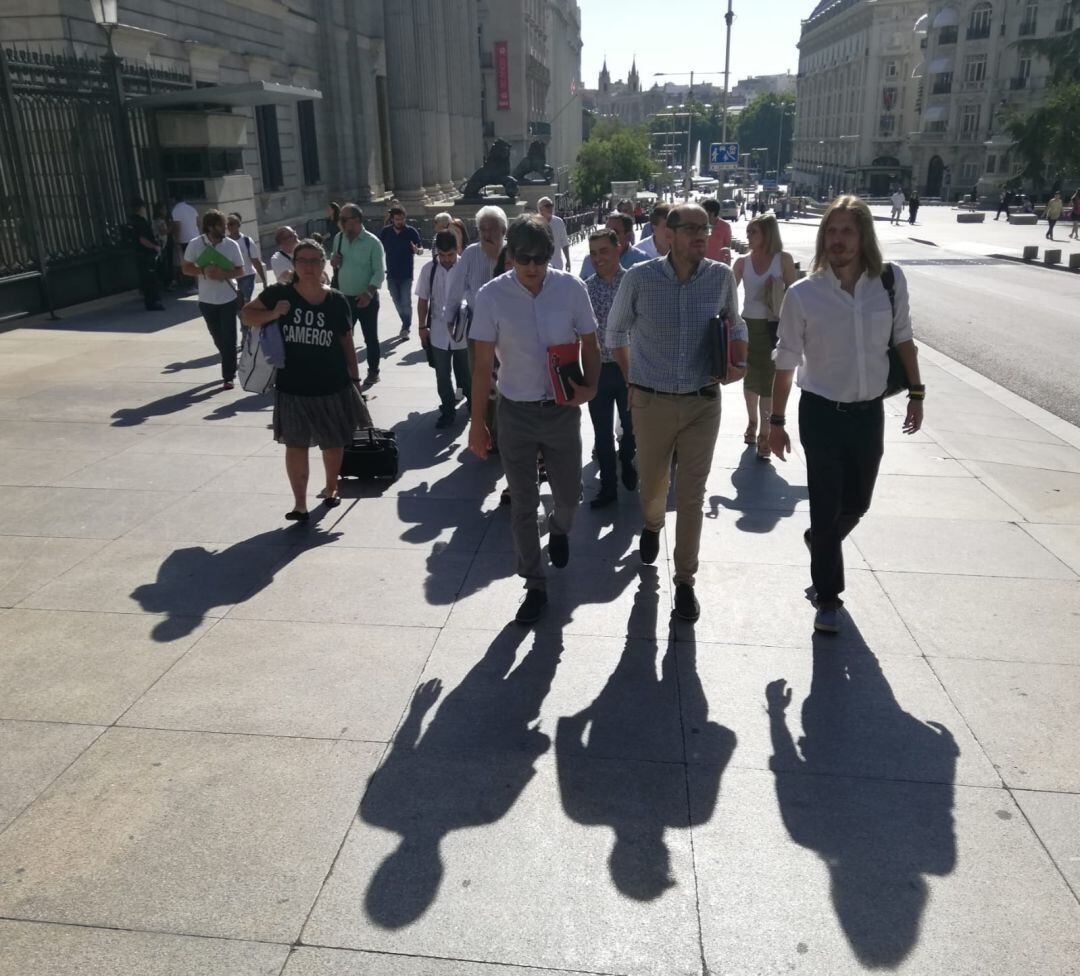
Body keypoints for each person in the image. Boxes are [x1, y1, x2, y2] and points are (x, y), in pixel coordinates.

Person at [768, 195, 924, 634]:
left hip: (868, 412)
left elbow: (905, 338)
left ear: (863, 236)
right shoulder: (804, 294)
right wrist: (775, 423)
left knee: (858, 502)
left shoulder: (889, 283)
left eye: (847, 232)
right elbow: (785, 363)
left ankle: (821, 544)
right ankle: (828, 598)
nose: (838, 240)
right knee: (825, 502)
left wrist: (917, 391)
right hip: (820, 413)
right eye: (831, 232)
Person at [606, 203, 748, 622]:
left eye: (705, 228)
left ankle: (685, 581)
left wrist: (737, 362)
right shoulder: (640, 278)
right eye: (691, 229)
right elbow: (614, 332)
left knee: (691, 495)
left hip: (703, 401)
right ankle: (651, 527)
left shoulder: (721, 278)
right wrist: (633, 380)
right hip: (651, 401)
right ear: (668, 234)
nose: (702, 236)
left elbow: (735, 325)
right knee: (652, 488)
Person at [468, 215, 601, 626]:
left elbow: (591, 343)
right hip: (516, 412)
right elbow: (481, 365)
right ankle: (534, 583)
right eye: (524, 257)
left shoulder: (571, 289)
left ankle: (559, 530)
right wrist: (477, 423)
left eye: (540, 258)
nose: (532, 266)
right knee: (522, 504)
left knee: (569, 497)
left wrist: (591, 387)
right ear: (510, 255)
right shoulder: (492, 296)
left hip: (561, 411)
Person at [240, 239, 367, 521]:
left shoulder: (335, 300)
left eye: (314, 261)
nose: (308, 266)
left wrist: (355, 378)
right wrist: (274, 313)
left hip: (332, 384)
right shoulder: (279, 294)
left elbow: (347, 340)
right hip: (292, 385)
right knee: (295, 444)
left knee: (333, 442)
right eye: (303, 261)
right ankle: (300, 504)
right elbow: (247, 314)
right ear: (294, 265)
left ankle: (331, 488)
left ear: (323, 264)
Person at [733, 213, 797, 460]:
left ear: (767, 234)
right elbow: (728, 293)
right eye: (748, 232)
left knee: (769, 381)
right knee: (750, 378)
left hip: (774, 327)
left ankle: (764, 434)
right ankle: (752, 422)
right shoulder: (742, 261)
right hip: (748, 326)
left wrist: (778, 286)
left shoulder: (783, 260)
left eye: (753, 232)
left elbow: (796, 295)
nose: (748, 236)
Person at [584, 227, 636, 508]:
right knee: (601, 432)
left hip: (630, 369)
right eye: (593, 253)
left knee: (631, 428)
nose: (598, 258)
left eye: (604, 251)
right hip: (599, 370)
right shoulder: (587, 287)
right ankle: (608, 488)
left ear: (618, 249)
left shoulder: (633, 282)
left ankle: (627, 459)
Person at [181, 209, 245, 390]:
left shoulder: (232, 245)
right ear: (210, 226)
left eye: (226, 225)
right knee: (218, 337)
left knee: (229, 337)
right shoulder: (195, 244)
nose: (225, 228)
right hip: (207, 300)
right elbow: (186, 268)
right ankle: (228, 357)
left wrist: (223, 273)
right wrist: (203, 271)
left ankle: (228, 376)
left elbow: (240, 270)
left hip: (228, 298)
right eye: (221, 225)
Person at [416, 231, 468, 428]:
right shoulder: (429, 269)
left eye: (450, 255)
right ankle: (447, 410)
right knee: (442, 375)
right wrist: (422, 326)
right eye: (442, 255)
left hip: (463, 331)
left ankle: (472, 404)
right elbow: (423, 300)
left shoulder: (466, 267)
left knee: (466, 374)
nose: (446, 260)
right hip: (437, 330)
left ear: (458, 250)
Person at [330, 203, 386, 385]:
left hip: (366, 299)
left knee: (370, 337)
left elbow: (379, 271)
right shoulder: (339, 238)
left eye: (345, 219)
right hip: (344, 298)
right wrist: (333, 261)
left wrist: (369, 293)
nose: (342, 223)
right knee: (342, 337)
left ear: (357, 220)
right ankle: (344, 371)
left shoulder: (372, 242)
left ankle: (373, 372)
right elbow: (334, 262)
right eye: (341, 219)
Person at [379, 205, 423, 337]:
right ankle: (405, 322)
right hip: (391, 273)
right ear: (392, 219)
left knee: (406, 301)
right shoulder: (386, 232)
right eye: (397, 219)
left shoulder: (411, 232)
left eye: (402, 219)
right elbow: (378, 249)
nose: (400, 222)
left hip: (406, 274)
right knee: (396, 300)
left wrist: (417, 250)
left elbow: (420, 248)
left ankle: (406, 326)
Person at [578, 213, 650, 278]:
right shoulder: (589, 260)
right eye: (606, 231)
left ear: (628, 236)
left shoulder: (643, 261)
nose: (608, 236)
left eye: (614, 232)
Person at [129, 198, 164, 311]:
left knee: (145, 279)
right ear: (141, 208)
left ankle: (150, 301)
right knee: (151, 279)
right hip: (146, 254)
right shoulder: (141, 222)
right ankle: (153, 302)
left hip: (138, 254)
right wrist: (155, 247)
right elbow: (142, 239)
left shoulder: (131, 221)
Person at [226, 213, 268, 304]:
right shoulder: (225, 243)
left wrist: (264, 280)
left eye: (232, 223)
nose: (230, 226)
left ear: (238, 225)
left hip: (247, 276)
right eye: (228, 224)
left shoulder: (247, 241)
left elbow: (256, 261)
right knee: (237, 305)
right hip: (232, 277)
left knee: (245, 302)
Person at [538, 196, 571, 272]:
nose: (550, 208)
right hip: (540, 266)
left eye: (551, 205)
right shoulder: (535, 223)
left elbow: (564, 243)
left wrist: (568, 260)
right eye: (547, 206)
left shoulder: (559, 222)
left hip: (557, 265)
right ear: (540, 209)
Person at [702, 197, 732, 265]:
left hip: (718, 265)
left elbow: (727, 248)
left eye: (704, 212)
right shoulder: (700, 225)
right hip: (702, 265)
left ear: (712, 213)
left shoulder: (725, 226)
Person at [152, 202, 173, 292]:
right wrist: (171, 227)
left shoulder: (159, 220)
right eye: (164, 209)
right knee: (163, 265)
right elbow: (163, 232)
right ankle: (165, 284)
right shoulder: (159, 221)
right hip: (160, 244)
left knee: (163, 264)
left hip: (162, 244)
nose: (165, 211)